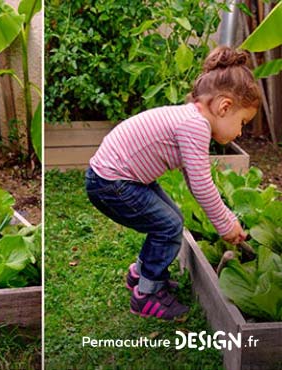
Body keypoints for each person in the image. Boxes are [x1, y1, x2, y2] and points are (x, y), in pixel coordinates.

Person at [86, 46, 260, 320]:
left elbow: (194, 179)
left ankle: (141, 273)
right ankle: (147, 294)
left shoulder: (190, 117)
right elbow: (202, 185)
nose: (239, 131)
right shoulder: (195, 125)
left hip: (117, 176)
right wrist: (226, 225)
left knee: (171, 219)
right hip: (112, 181)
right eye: (242, 122)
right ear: (225, 107)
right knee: (168, 225)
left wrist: (225, 217)